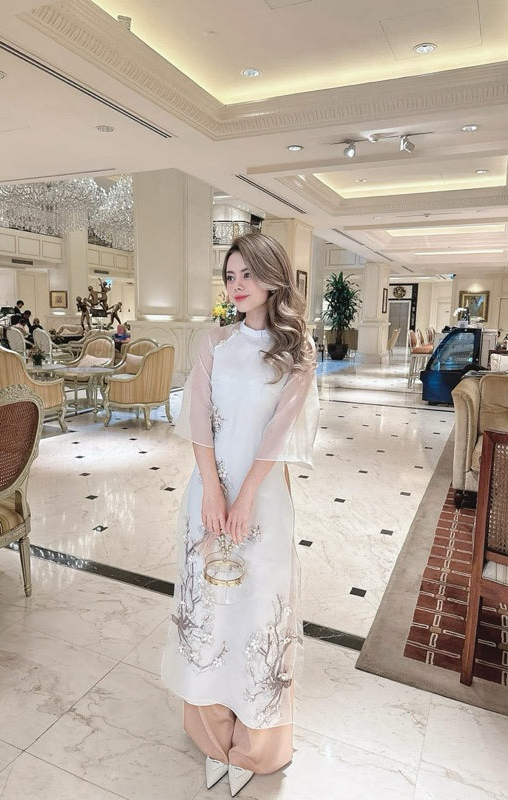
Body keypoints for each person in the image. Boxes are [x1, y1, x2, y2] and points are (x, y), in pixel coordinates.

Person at [160, 232, 319, 797]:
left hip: (264, 499)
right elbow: (198, 417)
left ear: (272, 277)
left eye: (247, 274)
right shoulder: (215, 342)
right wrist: (211, 491)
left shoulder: (298, 350)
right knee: (209, 609)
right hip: (207, 494)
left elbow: (279, 433)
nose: (237, 285)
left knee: (257, 612)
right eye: (230, 276)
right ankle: (211, 735)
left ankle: (256, 744)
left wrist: (246, 495)